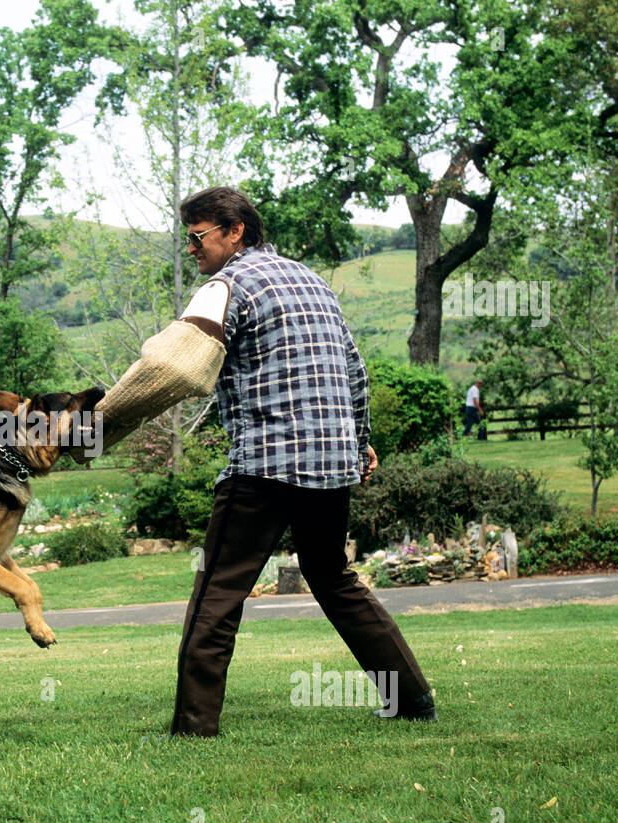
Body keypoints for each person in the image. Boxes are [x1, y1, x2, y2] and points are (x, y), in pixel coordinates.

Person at [167, 187, 436, 737]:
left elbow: (174, 368)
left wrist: (100, 419)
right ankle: (414, 701)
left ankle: (194, 727)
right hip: (330, 463)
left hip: (263, 464)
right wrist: (359, 441)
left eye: (196, 238)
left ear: (233, 230)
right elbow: (355, 370)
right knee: (332, 575)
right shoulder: (314, 282)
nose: (190, 251)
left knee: (218, 589)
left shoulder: (227, 286)